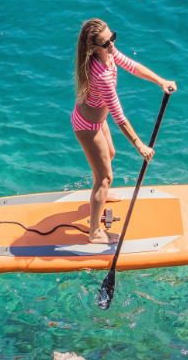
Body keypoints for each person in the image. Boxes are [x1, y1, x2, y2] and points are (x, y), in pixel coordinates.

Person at [72, 18, 177, 244]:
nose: (111, 44)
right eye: (106, 42)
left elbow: (132, 65)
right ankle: (94, 232)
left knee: (109, 155)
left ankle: (100, 193)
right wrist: (139, 145)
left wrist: (160, 81)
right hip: (87, 126)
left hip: (98, 121)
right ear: (93, 47)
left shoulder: (108, 53)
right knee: (105, 177)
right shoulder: (102, 76)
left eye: (113, 38)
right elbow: (119, 116)